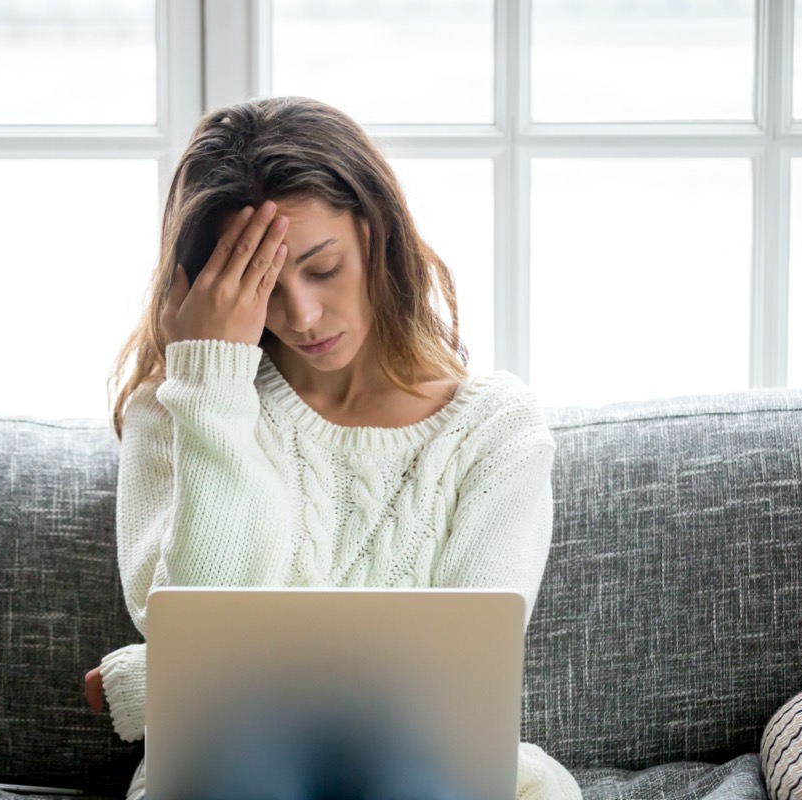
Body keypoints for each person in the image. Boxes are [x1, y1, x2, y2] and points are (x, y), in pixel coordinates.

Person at [83, 96, 581, 800]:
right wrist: (212, 383)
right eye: (262, 289)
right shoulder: (183, 408)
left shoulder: (497, 430)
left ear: (378, 233)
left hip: (427, 777)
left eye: (321, 269)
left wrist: (152, 681)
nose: (301, 316)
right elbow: (203, 623)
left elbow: (452, 693)